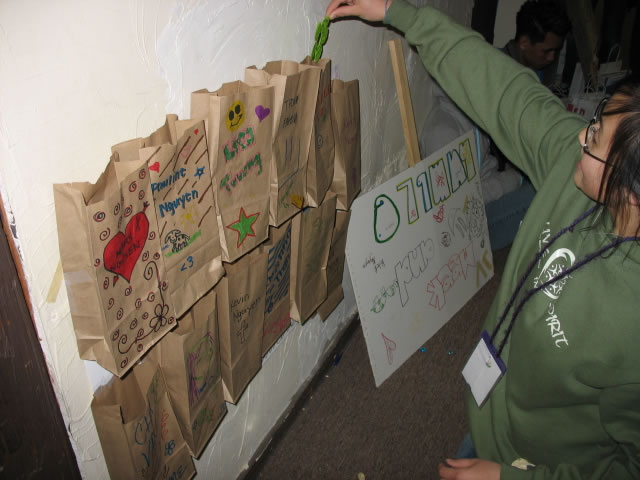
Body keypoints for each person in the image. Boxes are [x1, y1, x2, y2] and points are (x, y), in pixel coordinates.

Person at [326, 0, 640, 479]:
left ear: (631, 189)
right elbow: (501, 87)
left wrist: (507, 476)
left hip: (543, 463)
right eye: (594, 124)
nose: (581, 138)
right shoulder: (570, 161)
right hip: (493, 409)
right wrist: (397, 11)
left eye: (596, 140)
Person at [502, 0, 571, 89]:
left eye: (556, 50)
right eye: (546, 51)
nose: (551, 58)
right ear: (524, 43)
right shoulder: (495, 69)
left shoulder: (539, 69)